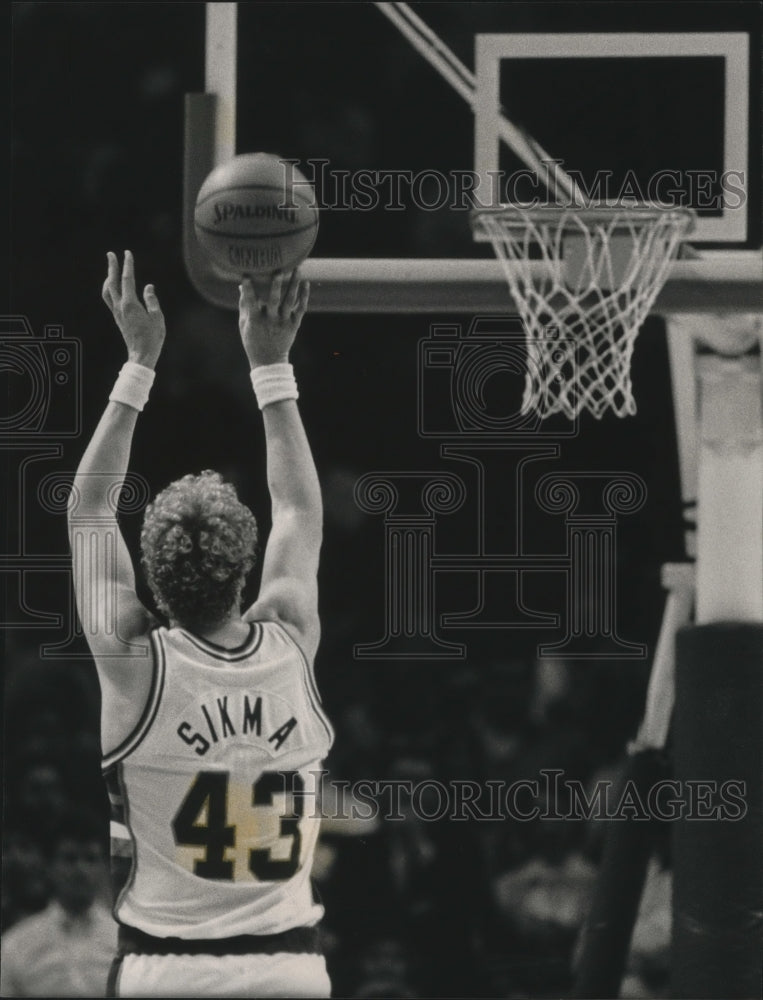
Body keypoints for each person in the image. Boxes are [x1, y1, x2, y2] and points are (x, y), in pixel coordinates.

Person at [67, 251, 334, 998]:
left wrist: (137, 365)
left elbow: (87, 509)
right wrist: (270, 364)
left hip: (167, 970)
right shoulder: (288, 635)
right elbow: (300, 510)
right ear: (245, 569)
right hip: (288, 970)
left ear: (149, 579)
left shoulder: (133, 661)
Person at [0, 808, 117, 997]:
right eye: (70, 859)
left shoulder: (123, 942)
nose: (81, 870)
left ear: (104, 867)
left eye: (90, 859)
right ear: (49, 867)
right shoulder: (15, 944)